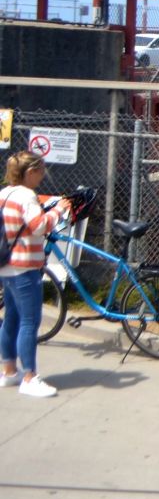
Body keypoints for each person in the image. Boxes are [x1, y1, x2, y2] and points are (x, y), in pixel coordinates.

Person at [0, 153, 73, 398]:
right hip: (25, 266)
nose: (42, 176)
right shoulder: (27, 196)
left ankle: (9, 370)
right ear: (29, 172)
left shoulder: (4, 194)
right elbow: (38, 226)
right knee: (29, 322)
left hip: (6, 265)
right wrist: (59, 212)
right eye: (40, 172)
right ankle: (30, 377)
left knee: (11, 317)